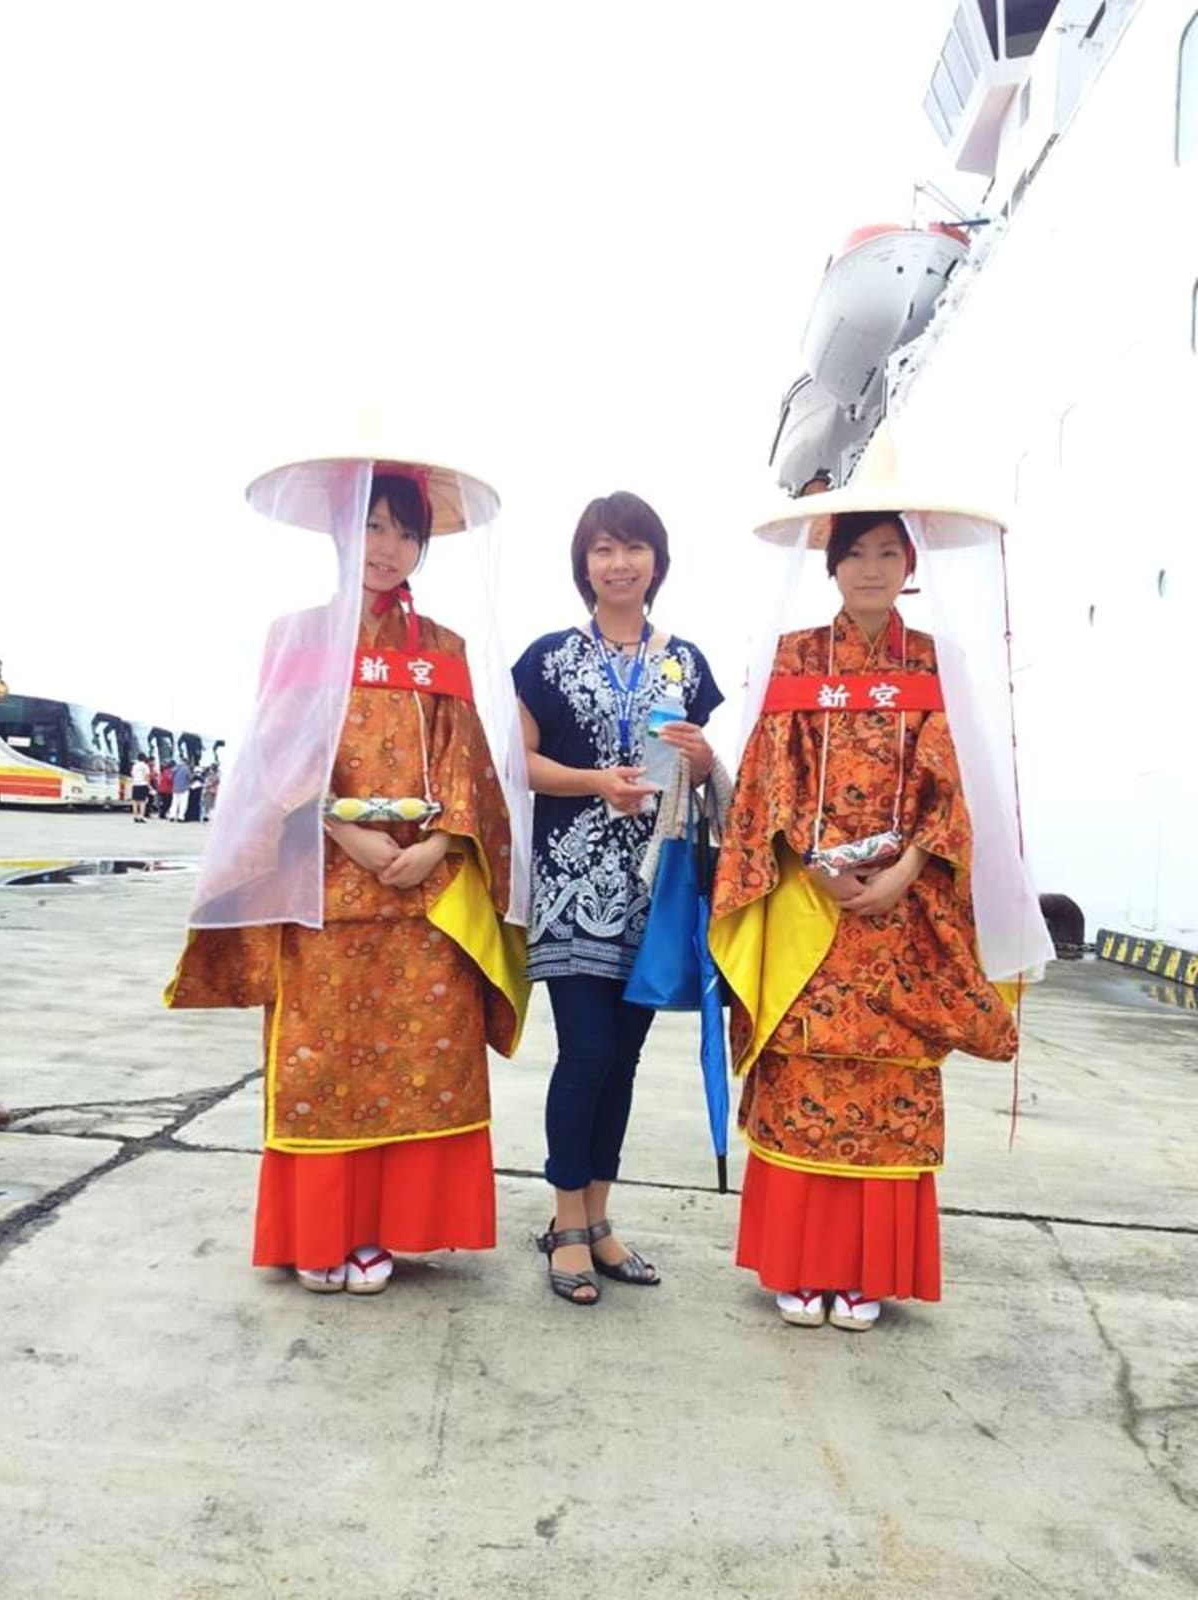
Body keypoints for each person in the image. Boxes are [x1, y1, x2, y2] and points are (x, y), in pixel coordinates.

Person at [710, 432, 1051, 1332]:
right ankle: (797, 1262)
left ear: (910, 565)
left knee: (888, 1082)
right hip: (811, 910)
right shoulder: (792, 658)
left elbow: (960, 783)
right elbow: (764, 785)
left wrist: (904, 871)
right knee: (806, 1080)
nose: (871, 567)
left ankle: (864, 1272)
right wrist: (814, 871)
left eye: (887, 551)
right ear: (832, 565)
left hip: (903, 917)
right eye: (855, 551)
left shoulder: (935, 662)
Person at [166, 459, 528, 1295]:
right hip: (322, 894)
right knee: (325, 1067)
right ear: (340, 531)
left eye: (406, 530)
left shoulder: (445, 649)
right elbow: (270, 763)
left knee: (414, 1066)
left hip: (426, 904)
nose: (389, 546)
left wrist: (437, 848)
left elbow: (468, 767)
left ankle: (387, 1233)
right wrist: (346, 833)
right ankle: (320, 1233)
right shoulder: (295, 637)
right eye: (373, 525)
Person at [513, 491, 723, 1305]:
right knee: (588, 1052)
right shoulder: (547, 657)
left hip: (655, 890)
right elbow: (518, 763)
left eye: (634, 548)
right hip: (570, 884)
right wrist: (595, 783)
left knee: (625, 1061)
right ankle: (566, 1220)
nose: (619, 563)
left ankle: (599, 1219)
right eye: (603, 549)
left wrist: (702, 759)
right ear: (584, 564)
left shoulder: (686, 663)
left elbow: (700, 772)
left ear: (657, 563)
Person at [129, 752, 151, 823]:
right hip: (142, 784)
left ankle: (135, 817)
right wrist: (149, 786)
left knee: (135, 801)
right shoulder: (145, 766)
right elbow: (146, 776)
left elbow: (132, 774)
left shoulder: (134, 766)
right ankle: (141, 816)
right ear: (144, 758)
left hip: (135, 784)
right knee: (142, 802)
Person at [169, 756, 191, 821]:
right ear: (186, 762)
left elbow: (171, 776)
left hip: (175, 788)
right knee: (183, 803)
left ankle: (172, 816)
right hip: (184, 789)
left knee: (174, 802)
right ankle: (180, 817)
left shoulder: (175, 768)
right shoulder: (186, 768)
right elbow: (189, 777)